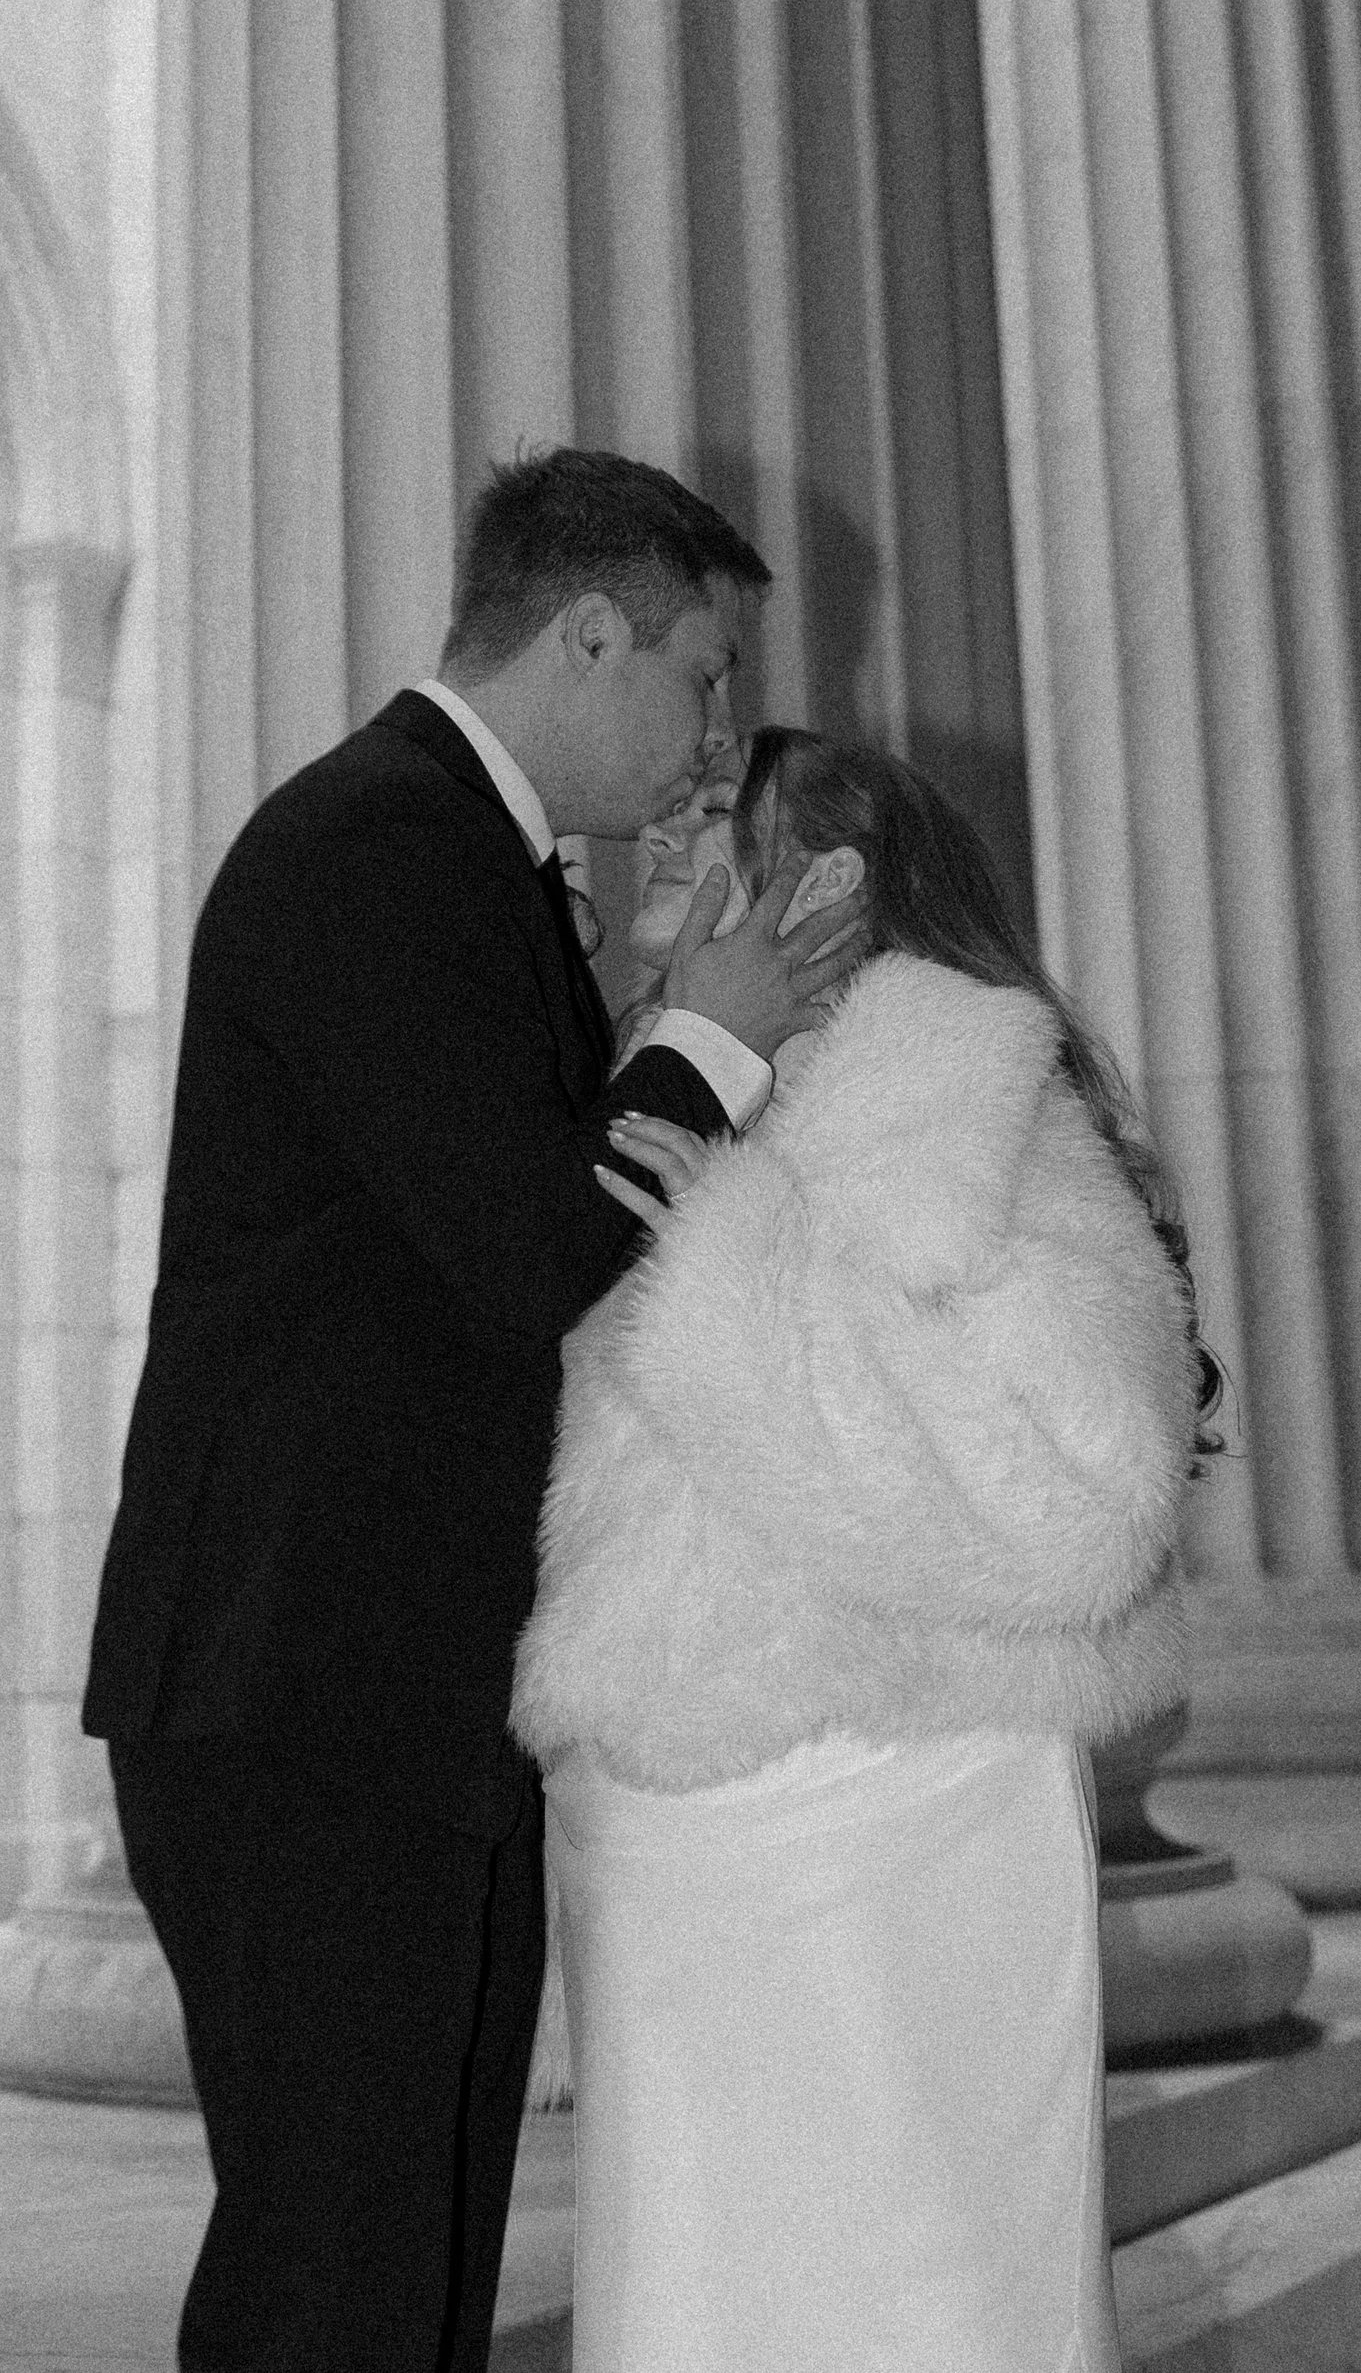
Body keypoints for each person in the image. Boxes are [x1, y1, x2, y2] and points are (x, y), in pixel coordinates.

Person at [82, 452, 861, 2373]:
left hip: (401, 1682)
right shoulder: (373, 842)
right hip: (302, 1688)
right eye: (700, 671)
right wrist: (712, 1037)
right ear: (587, 629)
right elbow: (529, 1248)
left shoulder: (472, 868)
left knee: (412, 2267)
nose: (711, 733)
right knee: (334, 2275)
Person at [514, 725, 1217, 2373]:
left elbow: (1087, 1495)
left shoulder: (967, 1097)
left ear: (822, 881)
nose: (659, 879)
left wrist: (730, 1263)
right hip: (674, 1835)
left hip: (891, 1809)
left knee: (920, 2306)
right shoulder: (686, 1097)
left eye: (703, 841)